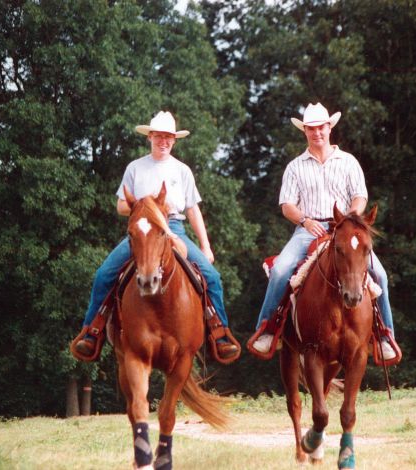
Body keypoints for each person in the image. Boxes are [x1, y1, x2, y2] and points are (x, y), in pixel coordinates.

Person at [74, 111, 239, 361]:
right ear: (150, 137)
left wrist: (206, 246)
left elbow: (193, 209)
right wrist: (146, 205)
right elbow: (121, 205)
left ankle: (220, 333)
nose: (164, 142)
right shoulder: (135, 168)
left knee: (212, 278)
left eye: (169, 138)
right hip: (143, 230)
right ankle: (91, 331)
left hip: (175, 229)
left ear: (174, 140)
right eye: (159, 136)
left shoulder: (182, 170)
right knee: (104, 274)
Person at [252, 103, 397, 359]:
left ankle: (385, 336)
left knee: (381, 275)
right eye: (311, 128)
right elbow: (287, 205)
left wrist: (350, 218)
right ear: (305, 131)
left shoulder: (348, 162)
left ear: (329, 128)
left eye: (321, 127)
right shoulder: (295, 167)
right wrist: (305, 220)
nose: (316, 132)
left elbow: (360, 196)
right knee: (281, 269)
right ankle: (268, 329)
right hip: (309, 228)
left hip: (345, 229)